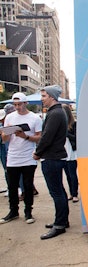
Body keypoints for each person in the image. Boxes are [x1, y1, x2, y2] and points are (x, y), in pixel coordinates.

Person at [0, 93, 42, 225]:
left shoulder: (35, 118)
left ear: (25, 103)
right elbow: (4, 138)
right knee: (12, 186)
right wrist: (8, 133)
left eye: (19, 104)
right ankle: (13, 211)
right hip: (13, 156)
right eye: (15, 105)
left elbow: (39, 137)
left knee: (28, 185)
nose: (17, 107)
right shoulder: (10, 118)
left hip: (28, 157)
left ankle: (28, 211)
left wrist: (25, 136)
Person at [33, 85, 69, 240]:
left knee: (57, 193)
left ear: (52, 97)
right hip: (55, 157)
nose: (42, 99)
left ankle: (60, 224)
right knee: (59, 191)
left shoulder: (55, 113)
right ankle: (62, 221)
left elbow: (47, 137)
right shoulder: (57, 112)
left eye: (44, 96)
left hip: (52, 158)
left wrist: (37, 152)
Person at [62, 104, 79, 203]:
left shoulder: (74, 124)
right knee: (67, 174)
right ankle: (71, 193)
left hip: (72, 152)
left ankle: (75, 193)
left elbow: (76, 138)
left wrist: (66, 133)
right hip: (63, 152)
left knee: (72, 174)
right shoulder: (60, 124)